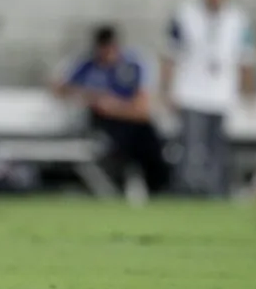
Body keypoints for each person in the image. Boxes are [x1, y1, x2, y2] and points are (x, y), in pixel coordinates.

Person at [160, 0, 256, 198]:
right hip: (191, 92)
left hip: (222, 93)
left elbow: (246, 58)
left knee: (217, 151)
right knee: (191, 149)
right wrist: (166, 89)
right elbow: (170, 54)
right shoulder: (185, 14)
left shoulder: (238, 19)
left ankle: (215, 195)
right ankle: (187, 193)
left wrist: (248, 91)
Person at [52, 25, 169, 198]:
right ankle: (117, 188)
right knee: (110, 145)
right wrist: (91, 97)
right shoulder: (87, 65)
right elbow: (59, 88)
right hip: (103, 123)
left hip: (131, 120)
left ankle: (158, 190)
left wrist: (114, 106)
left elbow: (142, 108)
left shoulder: (133, 65)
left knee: (148, 143)